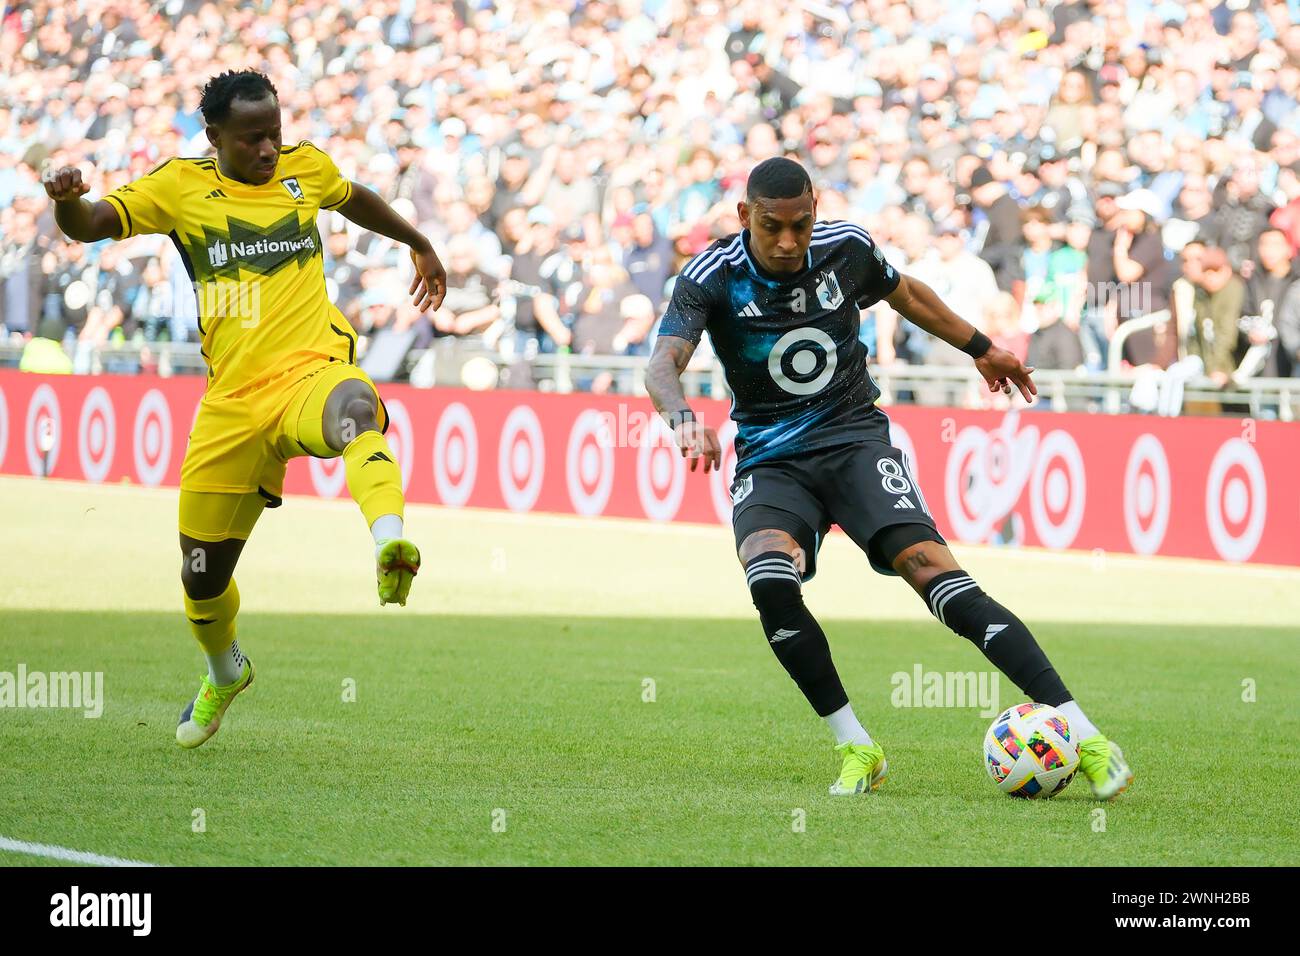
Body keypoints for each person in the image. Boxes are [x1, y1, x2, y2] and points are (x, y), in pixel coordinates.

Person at [646, 157, 1133, 799]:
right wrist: (681, 416)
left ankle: (1086, 735)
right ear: (744, 217)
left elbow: (908, 296)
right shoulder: (711, 274)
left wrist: (982, 347)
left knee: (930, 567)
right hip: (771, 458)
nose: (790, 242)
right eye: (773, 228)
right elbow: (661, 363)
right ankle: (857, 746)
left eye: (801, 223)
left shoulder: (846, 248)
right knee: (768, 576)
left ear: (815, 209)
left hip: (853, 438)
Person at [42, 70, 447, 749]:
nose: (267, 149)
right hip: (231, 405)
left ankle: (389, 542)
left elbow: (354, 200)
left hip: (310, 373)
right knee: (201, 579)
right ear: (215, 138)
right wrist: (66, 201)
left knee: (358, 408)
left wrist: (418, 241)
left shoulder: (305, 170)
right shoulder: (178, 187)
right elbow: (87, 226)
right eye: (252, 139)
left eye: (274, 135)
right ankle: (224, 670)